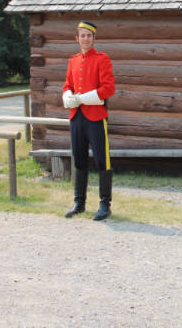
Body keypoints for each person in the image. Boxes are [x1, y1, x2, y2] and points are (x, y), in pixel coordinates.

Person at [61, 21, 116, 220]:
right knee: (80, 159)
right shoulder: (73, 60)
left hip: (95, 117)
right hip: (77, 117)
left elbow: (108, 88)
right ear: (77, 38)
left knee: (102, 160)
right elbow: (68, 84)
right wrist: (68, 95)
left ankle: (104, 204)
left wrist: (84, 97)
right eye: (82, 35)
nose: (86, 39)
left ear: (93, 38)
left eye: (89, 35)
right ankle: (79, 202)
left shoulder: (102, 59)